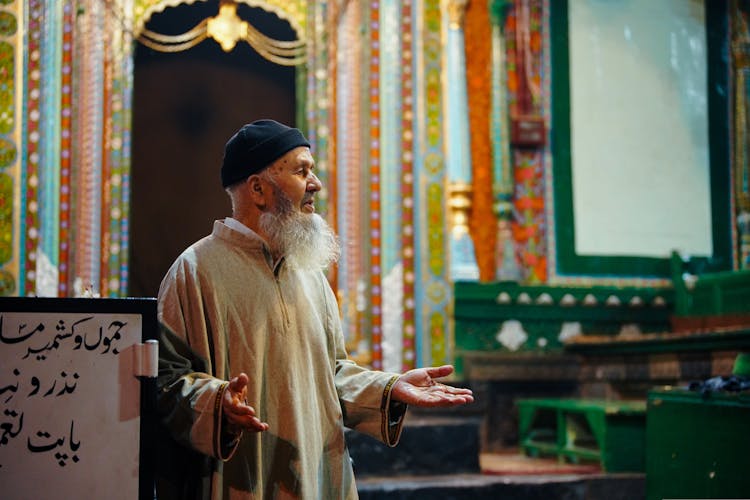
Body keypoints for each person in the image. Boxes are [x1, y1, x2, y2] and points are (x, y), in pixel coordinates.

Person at [155, 119, 474, 500]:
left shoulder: (309, 273)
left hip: (320, 476)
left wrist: (390, 387)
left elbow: (332, 374)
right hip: (245, 478)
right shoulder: (194, 271)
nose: (316, 183)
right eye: (302, 170)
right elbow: (166, 383)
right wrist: (218, 404)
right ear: (258, 188)